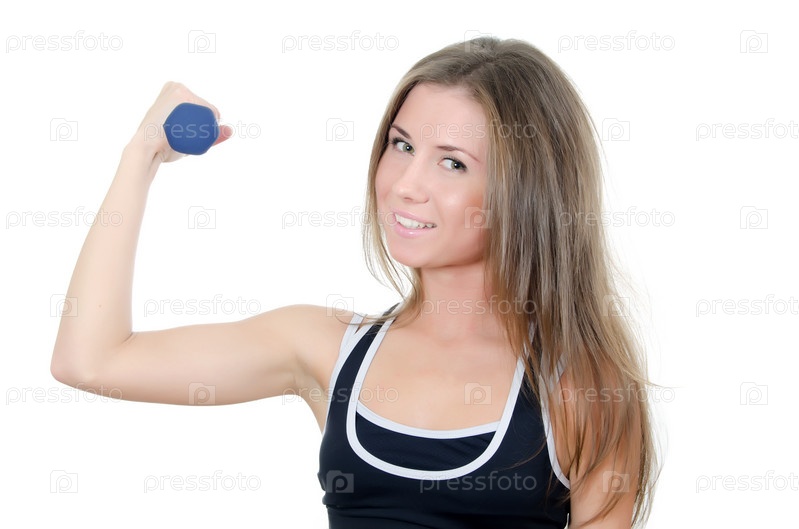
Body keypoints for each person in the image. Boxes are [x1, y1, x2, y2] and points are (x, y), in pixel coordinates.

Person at [51, 36, 659, 528]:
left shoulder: (583, 387)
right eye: (401, 145)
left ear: (526, 191)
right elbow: (91, 360)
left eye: (452, 162)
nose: (405, 184)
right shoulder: (326, 349)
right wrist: (141, 156)